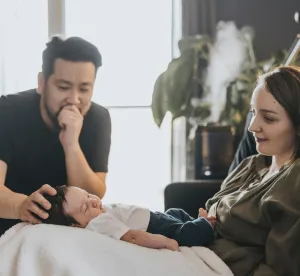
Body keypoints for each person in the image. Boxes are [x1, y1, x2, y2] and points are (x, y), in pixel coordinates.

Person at [0, 36, 111, 236]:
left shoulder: (98, 119)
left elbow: (94, 196)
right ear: (42, 83)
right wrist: (22, 206)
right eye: (63, 87)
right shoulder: (7, 111)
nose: (74, 99)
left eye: (84, 89)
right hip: (9, 231)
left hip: (69, 235)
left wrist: (71, 145)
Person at [206, 66, 300, 276]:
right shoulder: (250, 165)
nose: (252, 127)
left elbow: (278, 270)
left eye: (268, 118)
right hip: (193, 257)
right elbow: (209, 209)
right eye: (253, 113)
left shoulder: (294, 182)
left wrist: (221, 243)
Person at [41, 185, 216, 250]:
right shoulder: (98, 223)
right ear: (76, 226)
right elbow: (132, 236)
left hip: (154, 216)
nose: (93, 201)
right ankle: (205, 225)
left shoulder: (97, 213)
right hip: (153, 227)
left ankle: (195, 220)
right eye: (85, 207)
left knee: (174, 213)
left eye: (87, 195)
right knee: (182, 233)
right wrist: (165, 242)